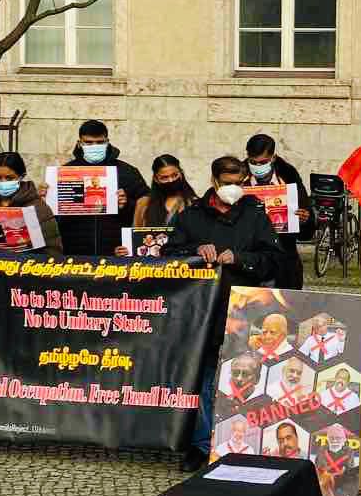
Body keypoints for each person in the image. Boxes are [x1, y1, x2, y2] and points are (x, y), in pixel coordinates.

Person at [163, 155, 284, 471]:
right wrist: (193, 251)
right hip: (202, 311)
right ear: (214, 181)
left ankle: (243, 443)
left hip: (243, 310)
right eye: (228, 183)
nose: (235, 189)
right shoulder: (191, 216)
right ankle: (201, 445)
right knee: (203, 377)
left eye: (240, 183)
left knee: (242, 378)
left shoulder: (255, 215)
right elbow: (167, 254)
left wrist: (241, 258)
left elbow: (274, 259)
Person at [57, 120, 149, 257]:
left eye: (99, 142)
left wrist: (126, 204)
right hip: (75, 251)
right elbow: (56, 217)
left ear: (107, 142)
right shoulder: (66, 172)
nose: (94, 146)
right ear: (79, 143)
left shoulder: (127, 171)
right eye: (88, 142)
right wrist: (48, 197)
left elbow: (146, 205)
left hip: (116, 251)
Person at [0, 151, 63, 255]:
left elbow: (53, 250)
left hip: (25, 264)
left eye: (9, 178)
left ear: (21, 177)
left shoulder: (38, 208)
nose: (3, 182)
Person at [245, 133, 311, 290]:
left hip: (283, 259)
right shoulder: (239, 177)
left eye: (263, 162)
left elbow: (306, 224)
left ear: (273, 158)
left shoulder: (289, 177)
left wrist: (305, 219)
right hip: (249, 259)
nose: (258, 167)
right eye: (253, 162)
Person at [131, 155, 196, 229]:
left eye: (175, 175)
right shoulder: (144, 204)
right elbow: (136, 233)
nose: (171, 180)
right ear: (156, 179)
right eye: (164, 178)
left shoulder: (193, 203)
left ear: (181, 173)